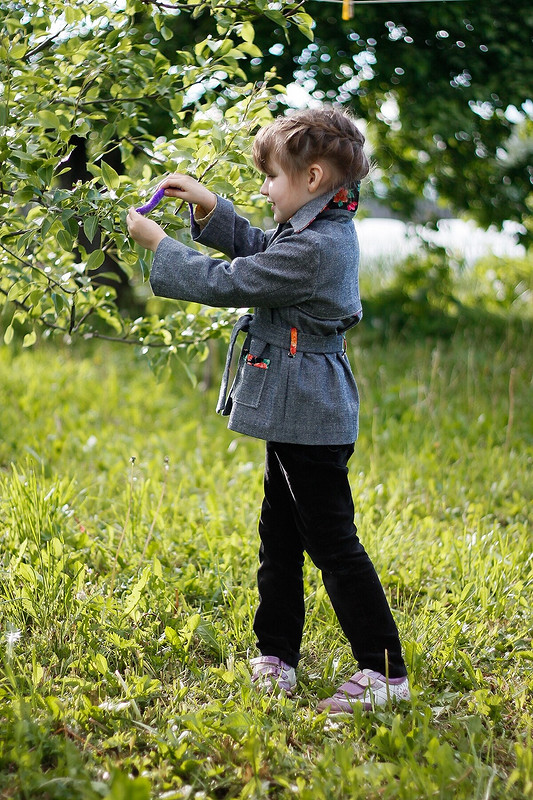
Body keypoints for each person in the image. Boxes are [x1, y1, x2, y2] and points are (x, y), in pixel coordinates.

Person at [126, 106, 410, 713]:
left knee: (331, 540)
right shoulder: (315, 228)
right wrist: (210, 208)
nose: (263, 189)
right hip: (295, 409)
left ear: (311, 178)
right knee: (278, 533)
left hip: (309, 410)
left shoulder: (319, 248)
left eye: (270, 178)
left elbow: (235, 280)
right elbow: (260, 248)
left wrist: (161, 246)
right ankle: (276, 654)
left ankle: (384, 671)